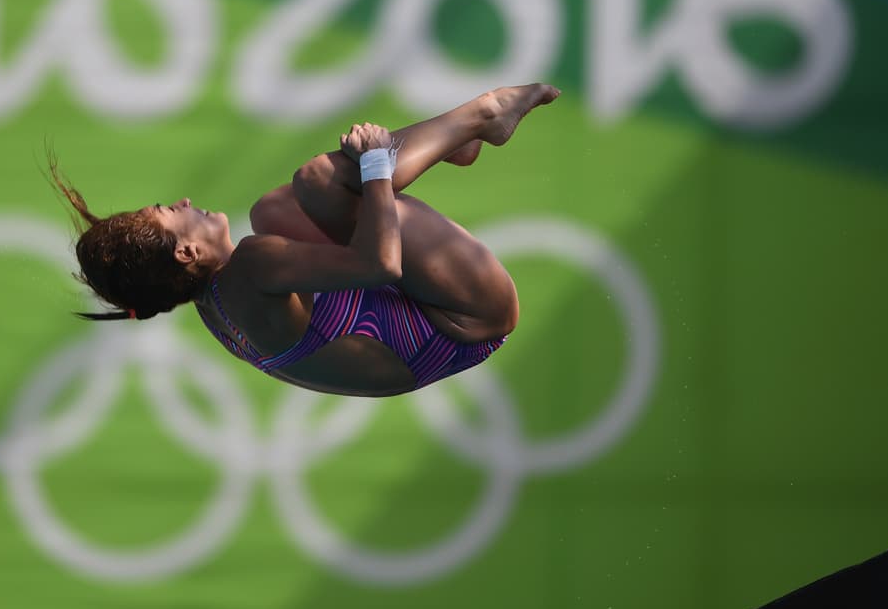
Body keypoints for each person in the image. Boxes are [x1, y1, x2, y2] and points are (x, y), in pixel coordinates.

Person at [50, 84, 560, 397]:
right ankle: (483, 116)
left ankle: (453, 142)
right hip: (470, 315)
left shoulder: (214, 304)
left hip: (437, 327)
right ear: (186, 252)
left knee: (272, 210)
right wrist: (375, 164)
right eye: (170, 212)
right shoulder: (252, 266)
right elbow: (380, 264)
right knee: (320, 181)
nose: (184, 201)